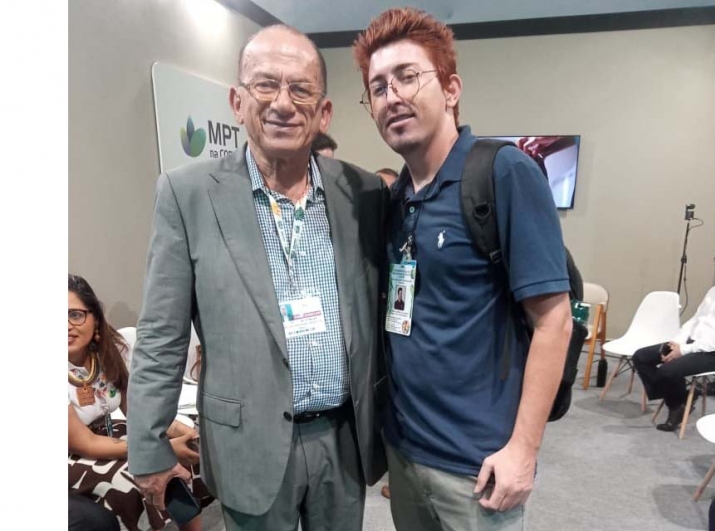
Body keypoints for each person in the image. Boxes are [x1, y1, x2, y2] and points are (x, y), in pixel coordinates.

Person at [127, 25, 388, 531]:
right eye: (266, 84)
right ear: (237, 102)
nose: (282, 104)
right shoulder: (188, 195)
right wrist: (147, 444)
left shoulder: (363, 192)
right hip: (247, 440)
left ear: (324, 112)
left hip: (344, 437)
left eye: (301, 89)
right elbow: (161, 334)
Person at [353, 8, 572, 530]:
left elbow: (554, 321)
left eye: (408, 76)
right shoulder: (396, 199)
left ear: (451, 89)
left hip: (478, 466)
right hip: (406, 453)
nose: (392, 96)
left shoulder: (503, 173)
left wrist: (523, 451)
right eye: (378, 87)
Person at [67, 274, 206, 531]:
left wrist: (183, 432)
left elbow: (138, 411)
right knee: (136, 475)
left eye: (75, 315)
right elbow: (84, 442)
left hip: (108, 433)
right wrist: (159, 449)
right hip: (72, 452)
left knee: (185, 454)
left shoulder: (108, 351)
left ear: (95, 317)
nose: (66, 326)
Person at [632, 285, 715, 432]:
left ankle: (676, 407)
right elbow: (696, 319)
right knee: (641, 357)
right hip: (691, 342)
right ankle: (679, 401)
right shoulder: (714, 290)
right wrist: (678, 340)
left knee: (667, 371)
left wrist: (683, 350)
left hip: (712, 352)